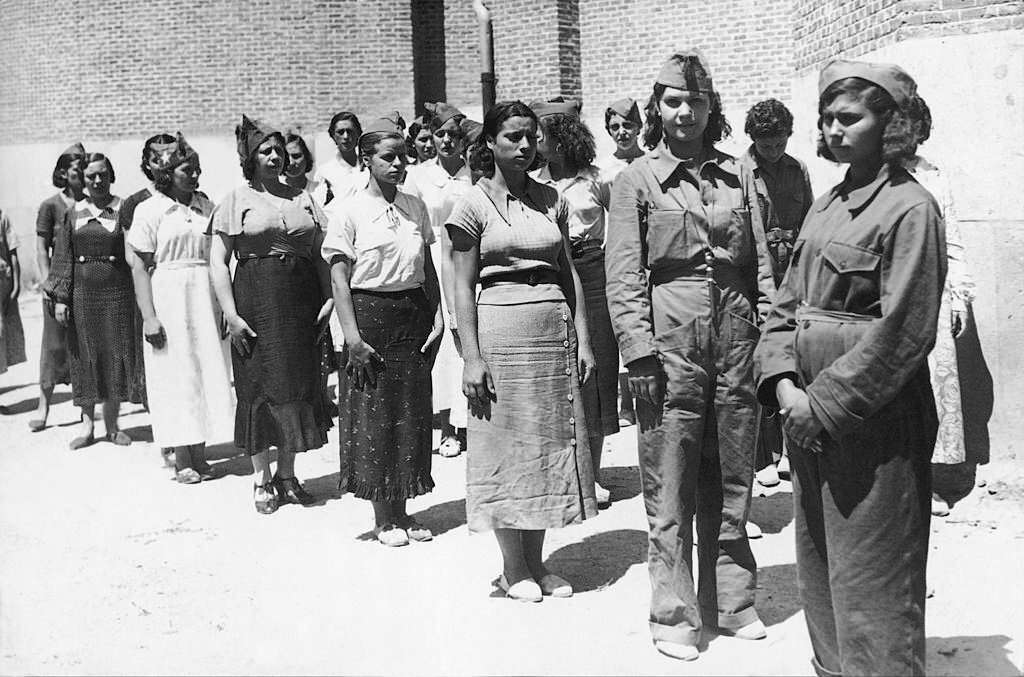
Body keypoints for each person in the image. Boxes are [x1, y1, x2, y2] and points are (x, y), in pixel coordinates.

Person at [755, 60, 945, 677]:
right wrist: (785, 387)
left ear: (890, 124)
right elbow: (787, 303)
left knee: (873, 574)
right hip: (805, 413)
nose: (834, 130)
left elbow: (905, 332)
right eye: (827, 119)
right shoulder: (826, 203)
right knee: (820, 564)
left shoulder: (911, 209)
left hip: (874, 420)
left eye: (850, 118)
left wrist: (823, 404)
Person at [605, 49, 774, 660]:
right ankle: (674, 613)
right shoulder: (636, 181)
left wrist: (770, 343)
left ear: (711, 109)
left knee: (733, 475)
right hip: (670, 347)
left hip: (735, 341)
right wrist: (639, 353)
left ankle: (732, 600)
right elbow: (623, 278)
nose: (684, 111)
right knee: (669, 480)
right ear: (657, 108)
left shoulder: (740, 176)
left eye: (695, 102)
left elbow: (763, 272)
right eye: (673, 101)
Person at [447, 100, 598, 602]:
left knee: (546, 446)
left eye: (530, 136)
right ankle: (513, 568)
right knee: (505, 447)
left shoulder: (551, 198)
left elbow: (568, 271)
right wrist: (471, 356)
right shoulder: (470, 205)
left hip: (551, 333)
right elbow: (462, 284)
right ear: (489, 143)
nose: (524, 145)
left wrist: (583, 339)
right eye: (512, 136)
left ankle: (538, 562)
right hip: (500, 332)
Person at [323, 117, 444, 546]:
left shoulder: (415, 205)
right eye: (387, 157)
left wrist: (439, 315)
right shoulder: (349, 210)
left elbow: (427, 266)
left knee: (410, 411)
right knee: (375, 414)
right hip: (369, 313)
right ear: (366, 159)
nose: (398, 164)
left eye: (402, 156)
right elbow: (340, 279)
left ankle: (405, 506)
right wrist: (352, 338)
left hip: (411, 313)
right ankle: (383, 516)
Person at [209, 115, 334, 514]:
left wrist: (330, 299)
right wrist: (230, 313)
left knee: (296, 385)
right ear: (250, 158)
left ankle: (287, 474)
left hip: (301, 302)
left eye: (280, 150)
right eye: (266, 150)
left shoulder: (304, 199)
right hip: (255, 301)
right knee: (259, 385)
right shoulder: (235, 200)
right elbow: (217, 262)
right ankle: (261, 480)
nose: (276, 156)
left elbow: (320, 253)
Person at [126, 134, 235, 484]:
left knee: (204, 369)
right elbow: (139, 267)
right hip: (168, 295)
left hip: (205, 294)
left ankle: (199, 453)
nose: (196, 175)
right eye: (188, 170)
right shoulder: (150, 210)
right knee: (176, 372)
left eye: (198, 169)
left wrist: (224, 307)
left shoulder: (206, 206)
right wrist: (149, 317)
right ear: (169, 173)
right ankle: (181, 457)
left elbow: (219, 258)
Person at [532, 98, 618, 507]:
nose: (533, 141)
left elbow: (618, 236)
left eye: (540, 134)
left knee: (594, 370)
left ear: (561, 139)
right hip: (550, 273)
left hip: (593, 271)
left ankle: (593, 473)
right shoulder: (532, 182)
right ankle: (560, 469)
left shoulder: (598, 181)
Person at [905, 95, 976, 517]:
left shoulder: (935, 176)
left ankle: (928, 483)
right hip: (887, 299)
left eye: (916, 128)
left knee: (930, 389)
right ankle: (898, 484)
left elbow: (952, 240)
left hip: (933, 294)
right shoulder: (877, 173)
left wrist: (959, 297)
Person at [739, 98, 816, 489]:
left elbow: (811, 223)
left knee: (793, 362)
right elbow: (749, 237)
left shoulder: (797, 169)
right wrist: (766, 293)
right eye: (766, 144)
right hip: (756, 280)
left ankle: (790, 449)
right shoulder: (740, 172)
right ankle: (761, 457)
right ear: (753, 139)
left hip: (794, 275)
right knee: (758, 365)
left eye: (780, 141)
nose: (773, 150)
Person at [45, 153, 146, 448]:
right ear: (83, 180)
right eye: (91, 177)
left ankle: (113, 426)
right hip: (83, 296)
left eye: (103, 175)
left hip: (117, 294)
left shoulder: (123, 208)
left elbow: (134, 252)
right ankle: (88, 427)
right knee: (85, 357)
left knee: (114, 356)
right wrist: (61, 298)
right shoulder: (73, 212)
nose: (98, 181)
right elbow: (62, 256)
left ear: (111, 175)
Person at [404, 102, 473, 457]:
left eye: (454, 135)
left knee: (468, 338)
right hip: (430, 259)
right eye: (440, 134)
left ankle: (468, 424)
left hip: (467, 259)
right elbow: (410, 222)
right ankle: (445, 425)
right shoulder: (417, 177)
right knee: (442, 342)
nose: (446, 141)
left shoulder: (473, 174)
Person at [29, 143, 85, 431]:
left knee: (84, 345)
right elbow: (40, 247)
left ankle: (86, 409)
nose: (84, 174)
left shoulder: (91, 203)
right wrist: (46, 281)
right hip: (57, 284)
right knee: (52, 346)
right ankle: (43, 406)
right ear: (64, 172)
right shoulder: (50, 206)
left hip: (86, 284)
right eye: (78, 169)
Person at [598, 98, 645, 429]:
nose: (622, 132)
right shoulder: (603, 171)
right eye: (615, 127)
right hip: (618, 249)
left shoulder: (651, 164)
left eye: (628, 125)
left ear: (639, 128)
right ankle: (625, 403)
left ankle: (643, 399)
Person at [317, 111, 367, 206]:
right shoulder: (325, 171)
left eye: (350, 131)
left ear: (357, 134)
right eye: (340, 132)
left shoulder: (368, 166)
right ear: (333, 136)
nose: (346, 136)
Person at [0, 207, 26, 380]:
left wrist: (16, 285)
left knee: (1, 335)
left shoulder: (2, 218)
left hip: (2, 283)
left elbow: (12, 252)